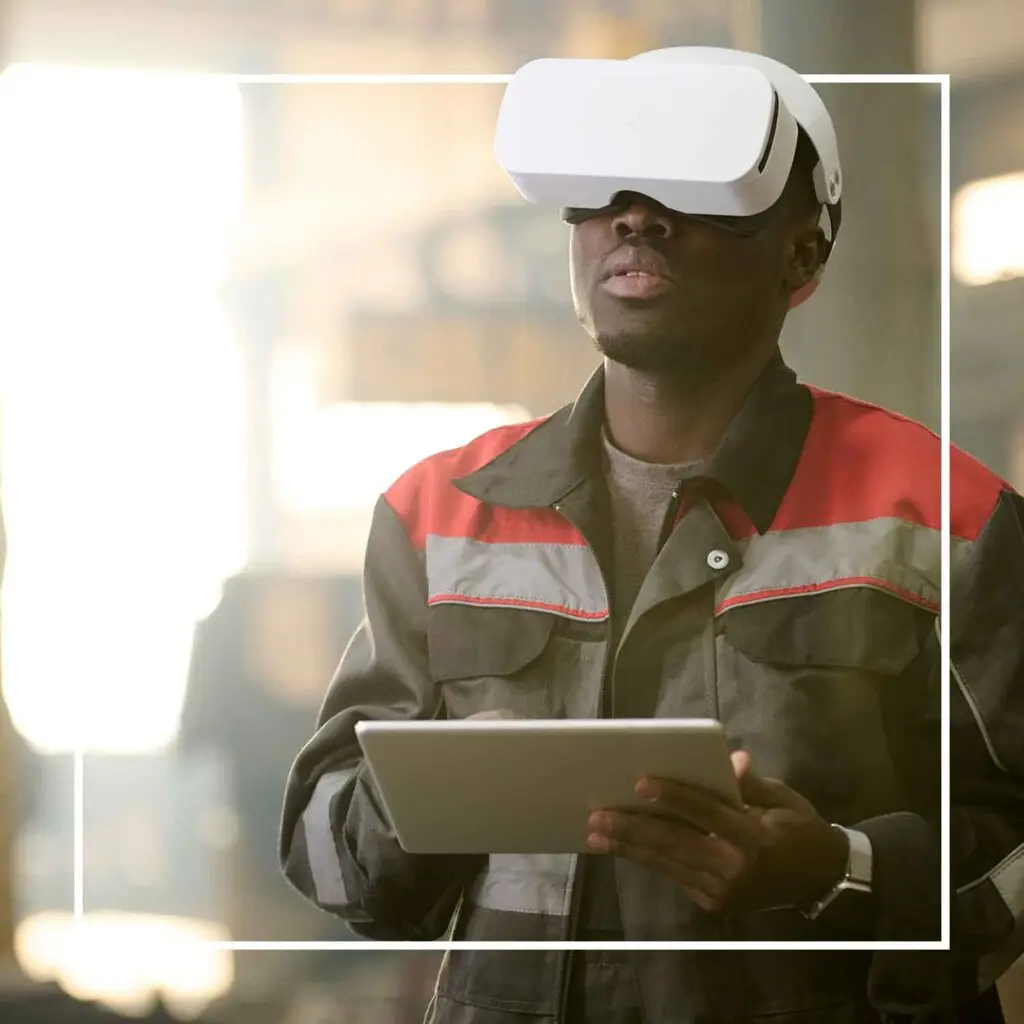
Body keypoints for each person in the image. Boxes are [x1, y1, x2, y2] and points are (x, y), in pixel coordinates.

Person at [279, 48, 1024, 1023]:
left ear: (801, 254)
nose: (633, 213)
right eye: (603, 191)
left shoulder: (942, 514)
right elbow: (327, 855)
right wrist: (440, 795)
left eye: (692, 183)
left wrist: (835, 869)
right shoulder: (438, 513)